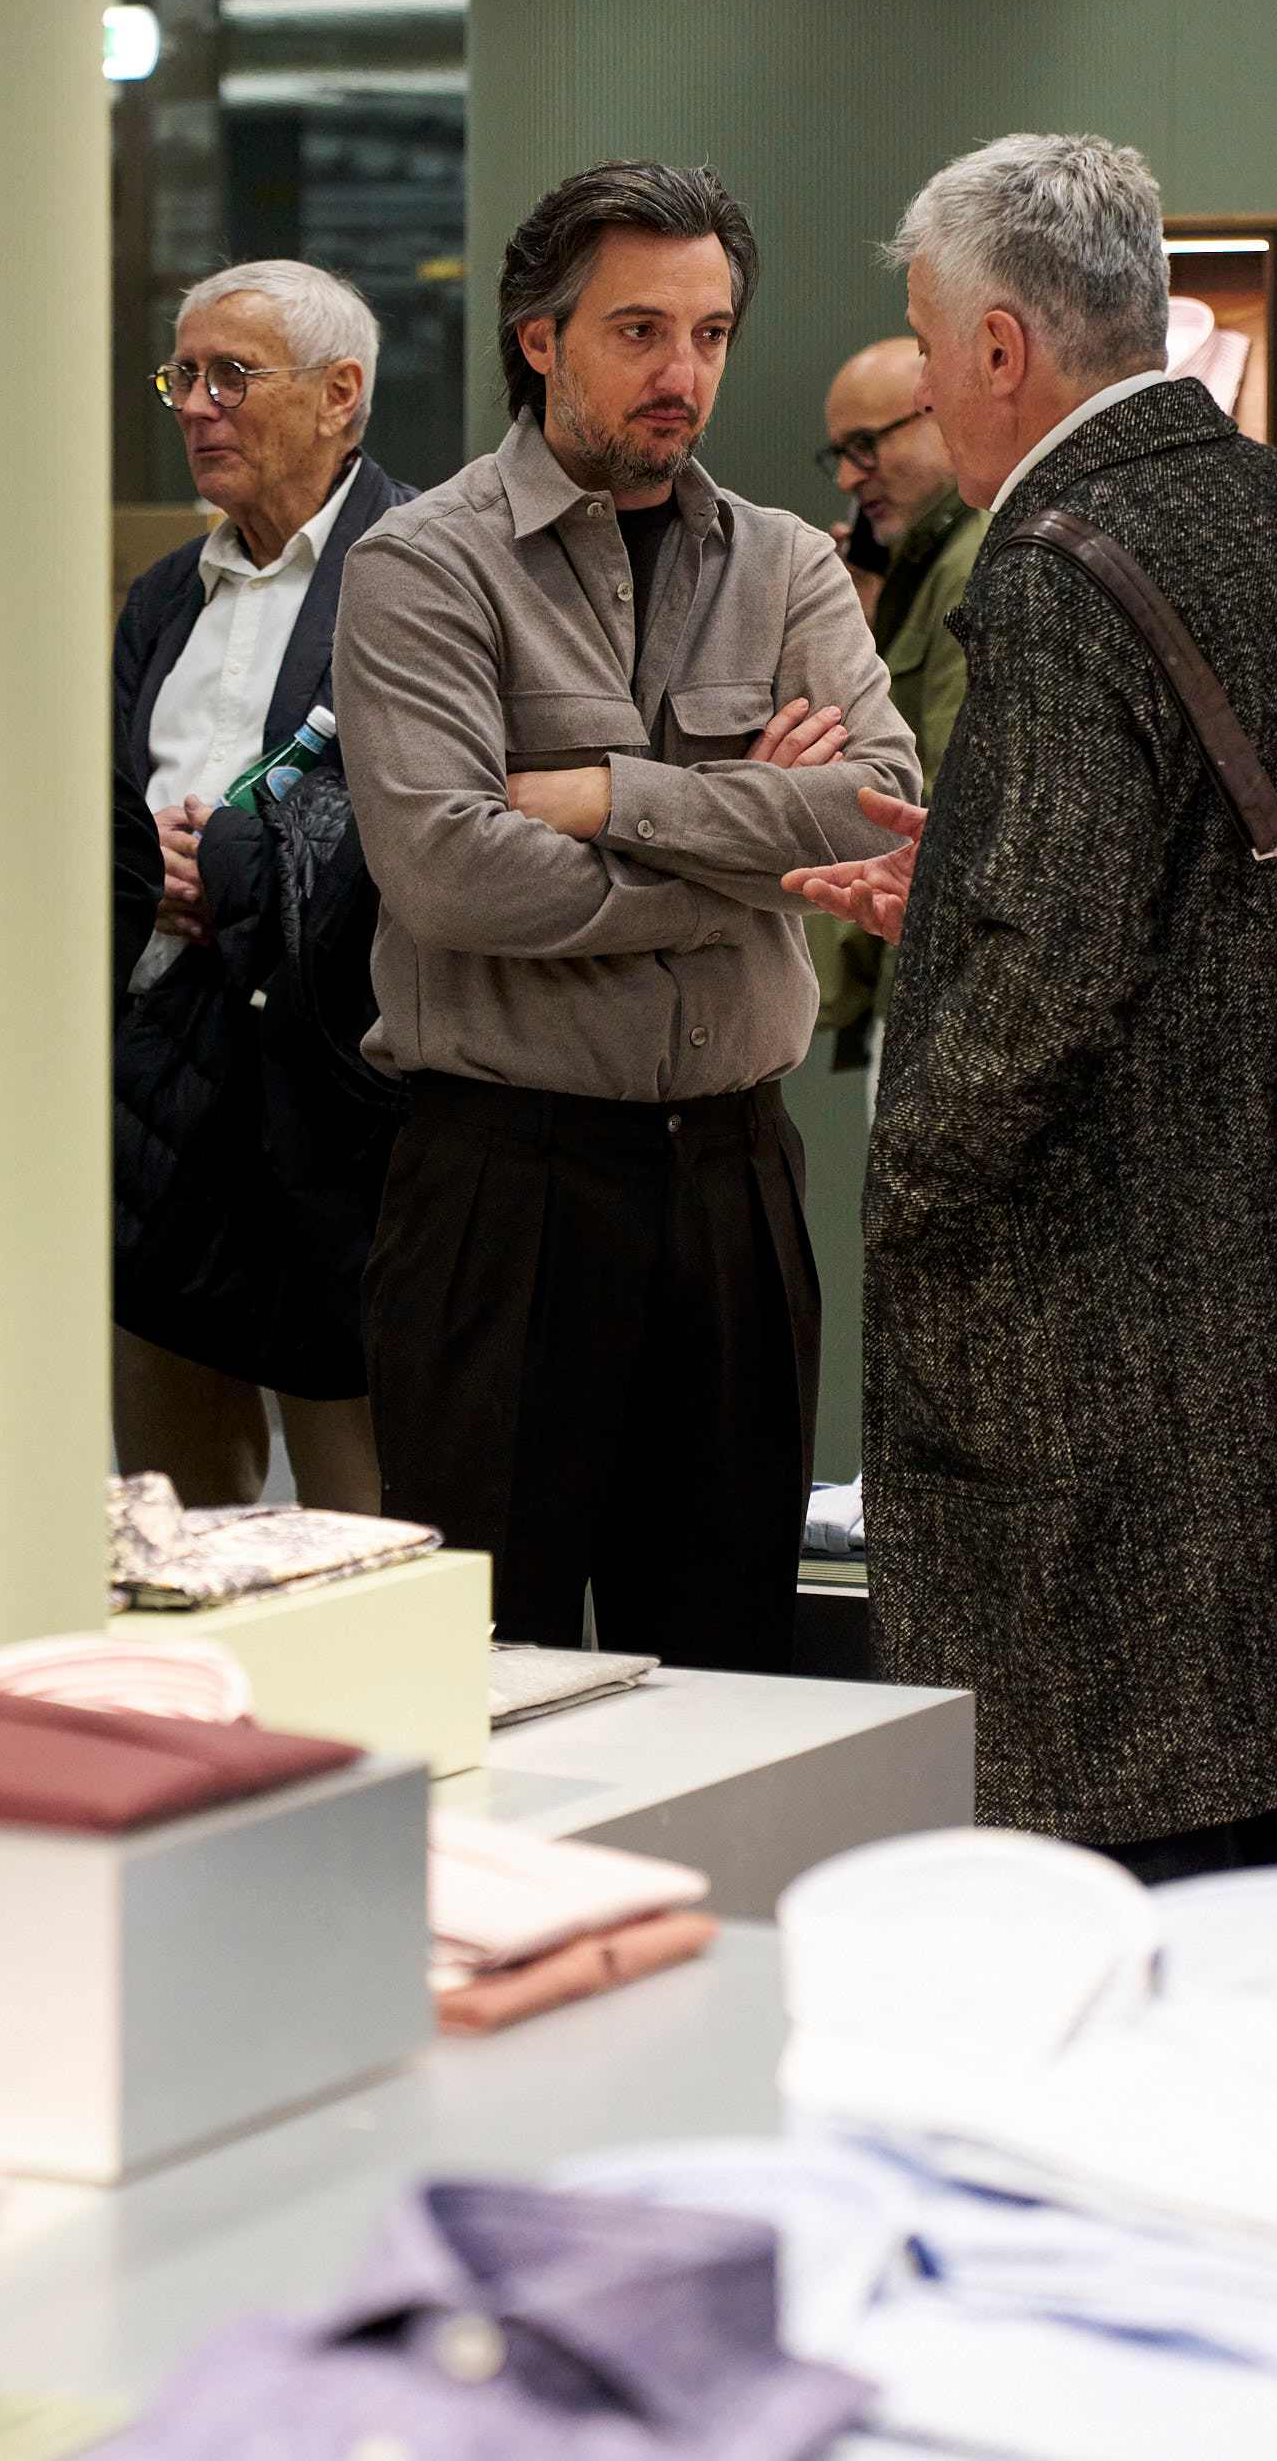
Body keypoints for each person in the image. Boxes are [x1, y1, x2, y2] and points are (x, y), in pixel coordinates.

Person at [786, 132, 1277, 1878]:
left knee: (1097, 1865)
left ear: (1002, 347)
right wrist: (961, 897)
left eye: (930, 347)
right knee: (1264, 1829)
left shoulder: (1062, 566)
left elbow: (1052, 981)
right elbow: (1198, 886)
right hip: (1276, 1288)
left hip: (1083, 1343)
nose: (925, 387)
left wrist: (913, 1184)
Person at [333, 161, 920, 1671]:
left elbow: (877, 803)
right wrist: (747, 849)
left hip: (735, 1180)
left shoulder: (785, 562)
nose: (685, 373)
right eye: (640, 331)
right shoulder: (423, 567)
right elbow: (449, 870)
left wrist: (603, 795)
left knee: (731, 1659)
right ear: (540, 340)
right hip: (504, 1185)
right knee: (492, 1670)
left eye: (710, 334)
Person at [112, 259, 414, 1513]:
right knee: (176, 1502)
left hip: (339, 1086)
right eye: (182, 375)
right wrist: (149, 878)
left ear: (340, 394)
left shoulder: (422, 569)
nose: (195, 405)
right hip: (168, 1077)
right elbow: (103, 799)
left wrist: (241, 871)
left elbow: (444, 817)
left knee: (367, 1506)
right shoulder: (163, 595)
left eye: (230, 375)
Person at [809, 339, 987, 1097]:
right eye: (841, 455)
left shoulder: (971, 566)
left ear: (936, 414)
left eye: (865, 445)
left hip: (946, 1002)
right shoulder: (926, 569)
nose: (850, 478)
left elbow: (948, 800)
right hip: (925, 987)